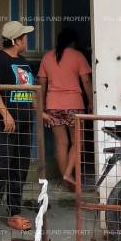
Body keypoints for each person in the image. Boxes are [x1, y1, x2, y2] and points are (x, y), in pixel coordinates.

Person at [0, 20, 36, 241]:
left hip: (24, 124)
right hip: (5, 124)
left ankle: (14, 213)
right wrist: (5, 114)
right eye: (25, 36)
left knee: (19, 169)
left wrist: (39, 113)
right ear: (17, 40)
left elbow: (28, 92)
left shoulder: (23, 62)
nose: (27, 39)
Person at [38, 27, 93, 190]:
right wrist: (91, 101)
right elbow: (86, 81)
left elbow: (41, 84)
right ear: (73, 42)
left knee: (61, 144)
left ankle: (65, 182)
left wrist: (42, 106)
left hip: (53, 105)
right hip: (74, 105)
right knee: (78, 142)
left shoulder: (47, 57)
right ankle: (68, 174)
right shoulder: (78, 56)